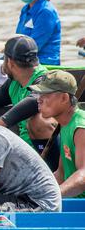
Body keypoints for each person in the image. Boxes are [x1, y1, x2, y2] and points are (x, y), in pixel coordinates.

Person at [0, 35, 59, 170]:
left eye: (3, 58)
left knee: (39, 121)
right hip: (21, 153)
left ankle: (52, 175)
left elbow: (34, 100)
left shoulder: (43, 79)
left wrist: (0, 123)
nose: (2, 62)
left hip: (45, 158)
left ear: (11, 63)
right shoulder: (14, 83)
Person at [29, 70, 85, 198]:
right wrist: (32, 190)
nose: (39, 99)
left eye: (45, 94)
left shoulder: (80, 127)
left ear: (64, 98)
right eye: (39, 94)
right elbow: (60, 174)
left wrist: (52, 196)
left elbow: (84, 174)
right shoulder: (65, 124)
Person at [7, 0, 61, 65]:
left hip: (43, 64)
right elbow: (19, 38)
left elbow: (34, 47)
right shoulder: (25, 9)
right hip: (22, 58)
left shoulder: (46, 11)